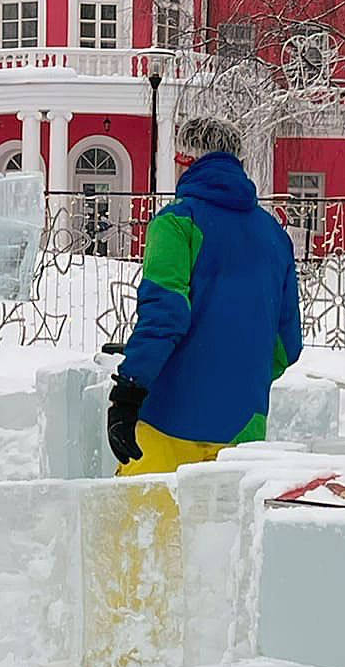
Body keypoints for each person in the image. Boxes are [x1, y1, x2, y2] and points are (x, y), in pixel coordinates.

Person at [108, 117, 302, 475]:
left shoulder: (176, 224)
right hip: (243, 428)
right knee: (224, 529)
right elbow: (287, 345)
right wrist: (235, 374)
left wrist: (129, 391)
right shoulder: (275, 235)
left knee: (143, 528)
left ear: (185, 161)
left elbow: (163, 317)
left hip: (166, 419)